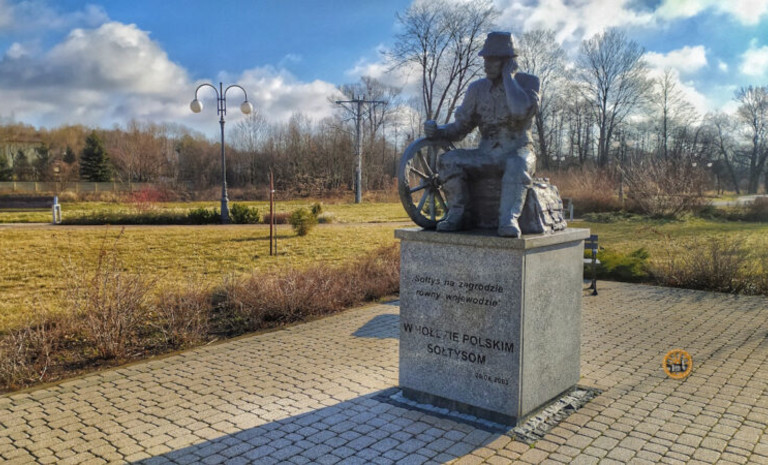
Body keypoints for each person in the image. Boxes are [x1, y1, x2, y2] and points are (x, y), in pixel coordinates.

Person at [424, 31, 540, 237]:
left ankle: (508, 219)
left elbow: (520, 111)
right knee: (449, 160)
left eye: (492, 59)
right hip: (486, 155)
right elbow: (461, 128)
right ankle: (459, 214)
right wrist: (438, 130)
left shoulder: (529, 83)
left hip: (518, 151)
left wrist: (509, 78)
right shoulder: (476, 89)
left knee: (517, 164)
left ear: (508, 62)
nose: (486, 64)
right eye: (485, 59)